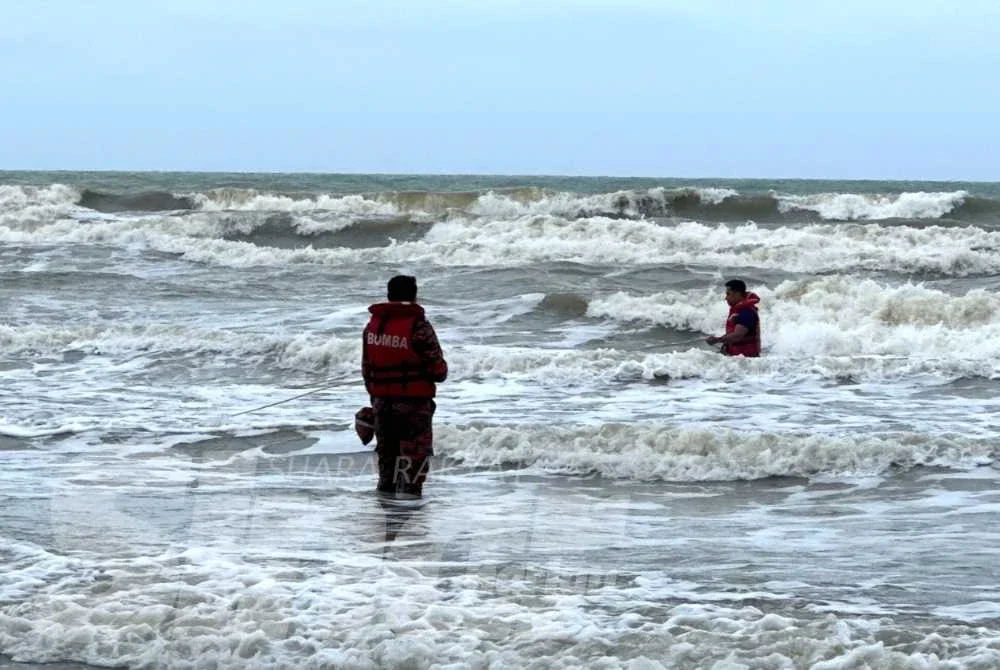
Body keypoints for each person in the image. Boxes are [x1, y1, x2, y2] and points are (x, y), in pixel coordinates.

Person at [362, 275, 448, 498]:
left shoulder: (373, 325)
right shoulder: (419, 326)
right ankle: (408, 517)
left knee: (386, 465)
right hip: (414, 406)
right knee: (414, 464)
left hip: (381, 403)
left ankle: (386, 513)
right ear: (413, 295)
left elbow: (366, 369)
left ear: (389, 295)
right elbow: (439, 372)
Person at [705, 279, 761, 357]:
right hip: (737, 359)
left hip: (747, 359)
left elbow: (737, 335)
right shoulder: (738, 310)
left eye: (728, 294)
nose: (726, 298)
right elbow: (733, 334)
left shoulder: (746, 312)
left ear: (737, 294)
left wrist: (717, 340)